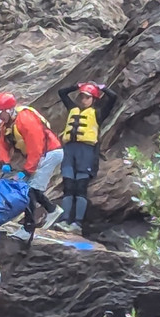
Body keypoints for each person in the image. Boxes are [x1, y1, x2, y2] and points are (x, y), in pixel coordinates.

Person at [0, 93, 64, 242]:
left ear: (9, 110)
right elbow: (2, 143)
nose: (0, 117)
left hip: (49, 153)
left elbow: (36, 147)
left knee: (28, 190)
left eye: (1, 113)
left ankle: (28, 228)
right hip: (39, 156)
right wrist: (4, 162)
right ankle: (52, 210)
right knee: (30, 188)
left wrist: (27, 171)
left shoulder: (25, 119)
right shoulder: (7, 124)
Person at [56, 81, 118, 233]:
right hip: (70, 150)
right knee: (68, 186)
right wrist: (77, 85)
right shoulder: (73, 109)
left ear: (93, 99)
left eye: (87, 97)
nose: (83, 100)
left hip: (87, 152)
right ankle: (64, 220)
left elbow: (113, 98)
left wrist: (102, 87)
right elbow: (62, 92)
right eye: (82, 97)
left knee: (80, 187)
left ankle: (77, 224)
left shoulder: (97, 113)